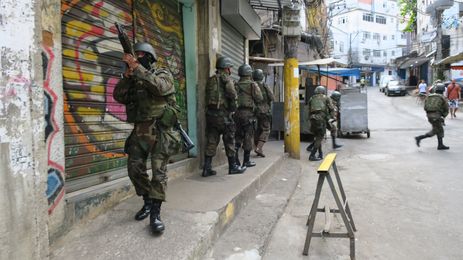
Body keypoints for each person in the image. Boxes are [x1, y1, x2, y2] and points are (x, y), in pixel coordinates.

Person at [113, 42, 181, 234]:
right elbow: (119, 96)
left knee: (159, 174)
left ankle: (156, 214)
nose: (137, 57)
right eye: (136, 55)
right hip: (140, 130)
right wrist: (127, 77)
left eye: (141, 54)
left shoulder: (162, 73)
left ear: (149, 57)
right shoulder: (134, 78)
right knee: (134, 168)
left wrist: (136, 67)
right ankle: (148, 201)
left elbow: (161, 88)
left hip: (160, 129)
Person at [202, 56, 246, 177]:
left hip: (211, 116)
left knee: (211, 141)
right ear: (226, 68)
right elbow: (232, 94)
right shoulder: (226, 79)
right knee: (229, 140)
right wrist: (233, 107)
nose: (230, 70)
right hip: (223, 116)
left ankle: (206, 168)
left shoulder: (211, 79)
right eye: (229, 68)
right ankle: (233, 167)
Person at [234, 64, 263, 167]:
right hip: (248, 114)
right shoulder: (252, 85)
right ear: (249, 73)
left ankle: (235, 160)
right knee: (248, 136)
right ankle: (246, 161)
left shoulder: (235, 84)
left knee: (237, 136)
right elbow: (259, 98)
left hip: (236, 114)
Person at [414, 83, 450, 150]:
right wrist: (443, 116)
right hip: (436, 116)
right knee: (439, 130)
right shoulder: (442, 97)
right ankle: (420, 138)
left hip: (429, 115)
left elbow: (425, 107)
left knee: (436, 129)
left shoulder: (429, 96)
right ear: (442, 90)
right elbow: (446, 109)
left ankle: (439, 144)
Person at [307, 86, 335, 161]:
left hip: (313, 119)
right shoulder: (326, 98)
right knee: (320, 137)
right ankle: (312, 155)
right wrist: (331, 117)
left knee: (317, 137)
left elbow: (309, 110)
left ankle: (320, 154)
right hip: (321, 119)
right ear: (323, 91)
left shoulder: (311, 98)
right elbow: (331, 109)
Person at [252, 69, 274, 157]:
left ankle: (257, 147)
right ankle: (259, 148)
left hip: (253, 111)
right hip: (264, 111)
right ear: (262, 77)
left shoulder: (251, 85)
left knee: (257, 130)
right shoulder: (264, 85)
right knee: (266, 129)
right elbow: (272, 97)